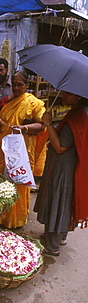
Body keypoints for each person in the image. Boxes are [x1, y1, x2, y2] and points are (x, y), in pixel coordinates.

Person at [34, 91, 88, 256]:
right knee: (65, 200)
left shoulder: (77, 117)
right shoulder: (79, 112)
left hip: (63, 166)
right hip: (71, 164)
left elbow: (60, 147)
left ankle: (52, 244)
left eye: (68, 94)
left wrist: (48, 124)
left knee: (58, 200)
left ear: (79, 95)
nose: (63, 96)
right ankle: (60, 236)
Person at [0, 70, 46, 229]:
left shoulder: (33, 103)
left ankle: (16, 220)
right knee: (1, 179)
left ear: (27, 86)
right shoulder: (4, 101)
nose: (16, 87)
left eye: (20, 85)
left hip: (21, 150)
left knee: (19, 182)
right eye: (14, 84)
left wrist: (24, 128)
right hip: (3, 148)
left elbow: (42, 125)